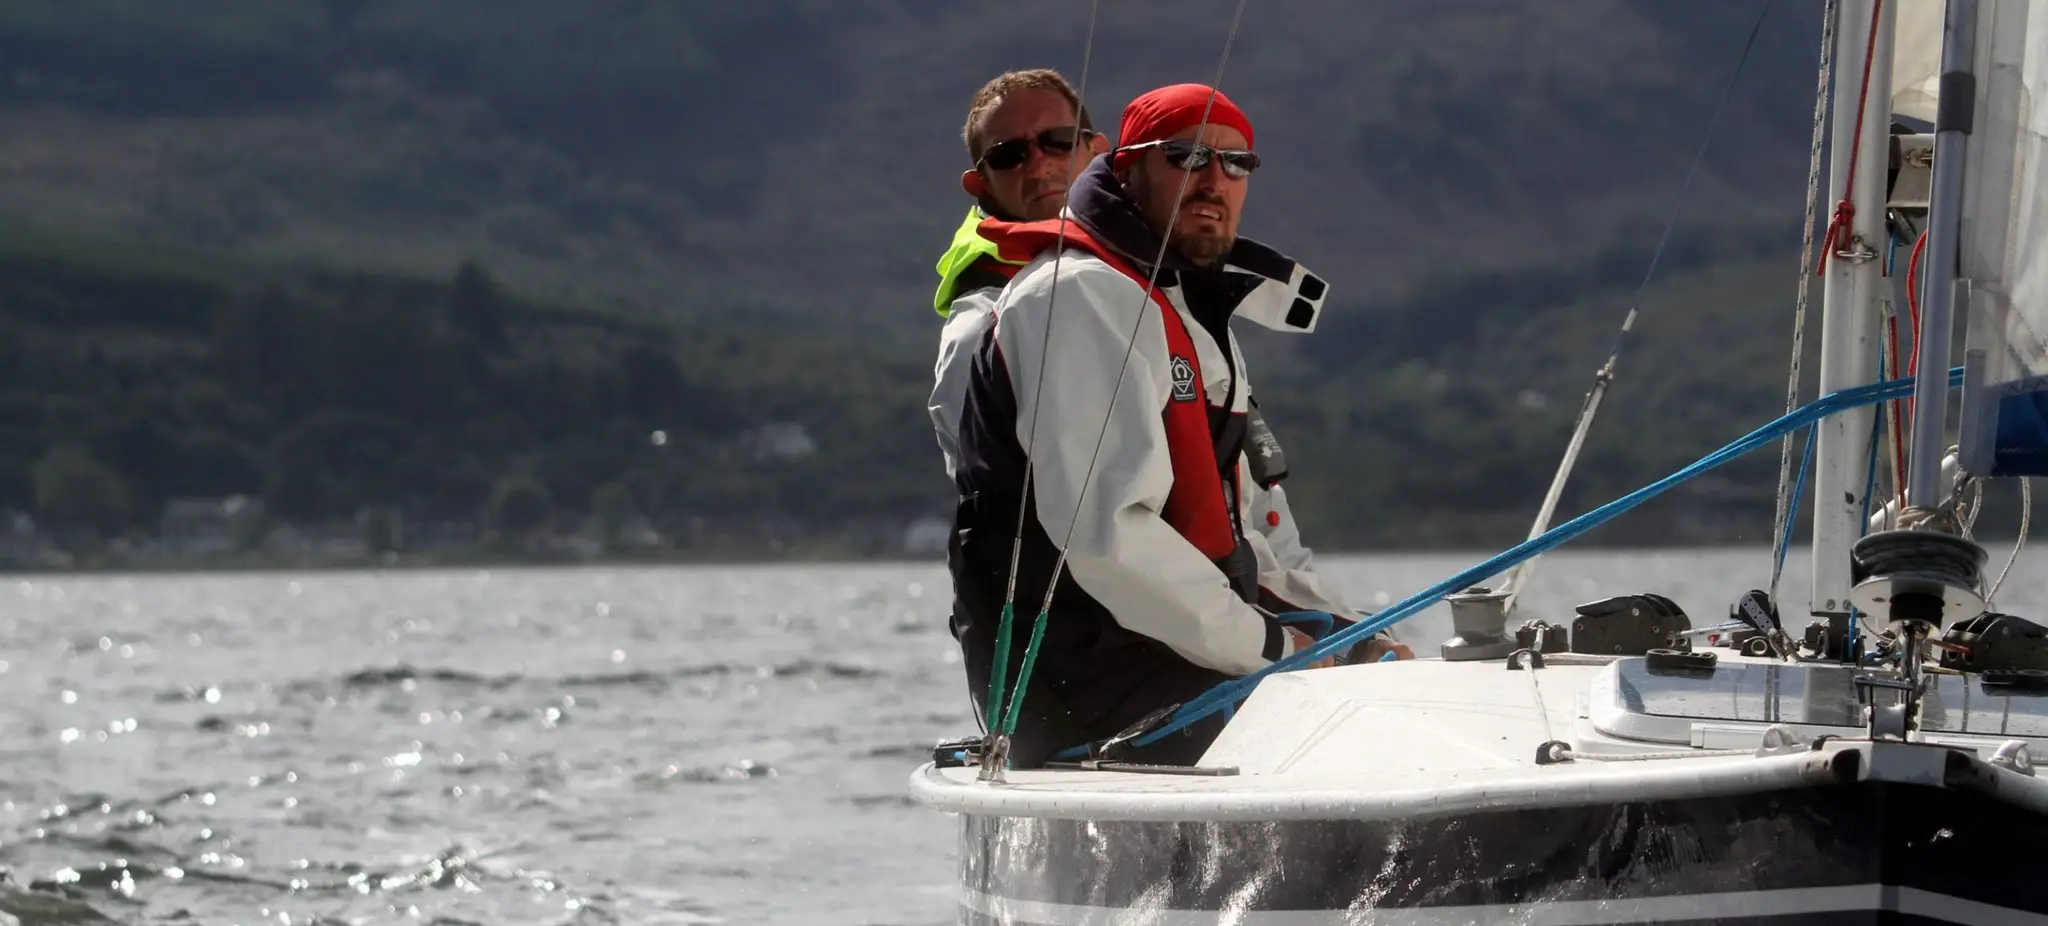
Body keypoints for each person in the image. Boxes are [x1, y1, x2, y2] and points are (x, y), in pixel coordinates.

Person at [947, 83, 1412, 769]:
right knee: (1383, 735)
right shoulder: (1075, 299)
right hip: (1093, 692)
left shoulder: (1185, 316)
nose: (1213, 181)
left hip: (1177, 659)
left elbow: (1257, 531)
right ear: (1126, 170)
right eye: (1186, 158)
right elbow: (1109, 538)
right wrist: (1274, 651)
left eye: (1235, 163)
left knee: (1411, 685)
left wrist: (1353, 635)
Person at [930, 69, 1110, 481]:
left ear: (1096, 150)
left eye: (1058, 141)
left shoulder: (1160, 275)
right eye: (1008, 155)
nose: (1039, 165)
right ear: (981, 185)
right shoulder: (980, 329)